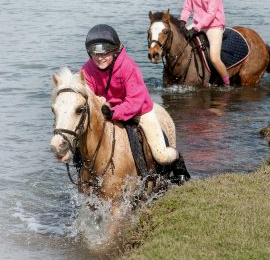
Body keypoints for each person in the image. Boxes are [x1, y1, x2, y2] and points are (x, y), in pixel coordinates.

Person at [80, 24, 189, 182]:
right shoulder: (88, 69)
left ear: (115, 50)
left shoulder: (128, 67)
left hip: (139, 111)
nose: (100, 57)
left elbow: (135, 101)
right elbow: (85, 93)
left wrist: (114, 113)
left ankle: (177, 161)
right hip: (108, 113)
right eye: (95, 53)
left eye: (106, 53)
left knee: (161, 155)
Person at [178, 0, 230, 86]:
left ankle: (227, 83)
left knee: (214, 58)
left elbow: (211, 14)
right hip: (197, 23)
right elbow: (187, 8)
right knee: (179, 41)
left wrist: (196, 27)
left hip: (214, 26)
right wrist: (182, 22)